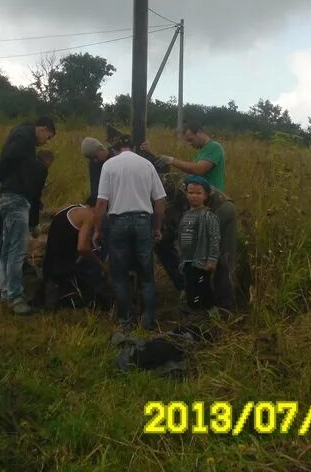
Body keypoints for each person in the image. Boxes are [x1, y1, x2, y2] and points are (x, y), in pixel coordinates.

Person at [0, 117, 56, 315]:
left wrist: (0, 181)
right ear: (42, 128)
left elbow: (11, 160)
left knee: (7, 248)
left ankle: (6, 292)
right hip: (16, 198)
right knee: (17, 250)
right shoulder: (24, 136)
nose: (45, 142)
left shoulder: (22, 138)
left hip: (6, 197)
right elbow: (10, 158)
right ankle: (15, 296)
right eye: (47, 137)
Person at [93, 135, 166, 330]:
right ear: (133, 148)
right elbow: (159, 201)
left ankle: (125, 321)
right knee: (147, 274)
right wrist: (157, 228)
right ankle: (148, 321)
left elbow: (101, 202)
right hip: (143, 221)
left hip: (118, 222)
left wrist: (98, 229)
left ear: (116, 149)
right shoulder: (147, 165)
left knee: (119, 274)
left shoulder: (109, 165)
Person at [159, 170, 239, 311]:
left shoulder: (165, 183)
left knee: (216, 258)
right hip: (218, 208)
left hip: (220, 209)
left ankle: (218, 305)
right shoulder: (161, 180)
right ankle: (204, 300)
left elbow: (168, 213)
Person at [33, 198, 110, 310]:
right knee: (94, 269)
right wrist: (102, 265)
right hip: (63, 270)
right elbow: (82, 248)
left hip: (49, 267)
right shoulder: (89, 215)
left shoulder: (71, 209)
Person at [178, 176, 221, 312]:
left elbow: (214, 238)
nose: (194, 196)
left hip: (201, 261)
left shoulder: (208, 215)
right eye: (191, 193)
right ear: (186, 194)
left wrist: (212, 259)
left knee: (202, 287)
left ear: (205, 195)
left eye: (198, 193)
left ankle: (207, 312)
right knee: (190, 287)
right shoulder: (185, 215)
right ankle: (193, 311)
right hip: (188, 260)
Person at [147, 122, 226, 192]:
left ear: (199, 132)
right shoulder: (202, 150)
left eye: (191, 140)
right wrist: (149, 152)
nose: (189, 144)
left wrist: (172, 161)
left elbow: (198, 169)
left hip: (212, 196)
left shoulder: (214, 147)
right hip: (199, 195)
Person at [80, 136, 114, 201]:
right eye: (91, 159)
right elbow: (95, 190)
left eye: (95, 157)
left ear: (101, 149)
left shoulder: (117, 157)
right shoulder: (94, 164)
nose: (95, 161)